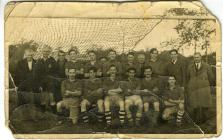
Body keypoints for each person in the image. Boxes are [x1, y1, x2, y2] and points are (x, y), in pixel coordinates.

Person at [187, 52, 214, 124]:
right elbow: (187, 77)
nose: (196, 59)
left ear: (201, 57)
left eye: (197, 57)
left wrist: (206, 84)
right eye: (195, 57)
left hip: (203, 88)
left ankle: (205, 119)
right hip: (193, 88)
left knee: (205, 104)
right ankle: (196, 120)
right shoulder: (190, 67)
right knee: (195, 104)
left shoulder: (207, 66)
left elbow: (211, 77)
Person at [35, 46, 57, 111]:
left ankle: (54, 114)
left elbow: (55, 71)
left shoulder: (52, 60)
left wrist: (53, 80)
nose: (46, 53)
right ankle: (43, 113)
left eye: (47, 51)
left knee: (51, 97)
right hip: (42, 82)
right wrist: (39, 84)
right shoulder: (39, 61)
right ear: (42, 52)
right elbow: (36, 74)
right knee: (43, 98)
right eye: (44, 51)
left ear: (49, 52)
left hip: (50, 81)